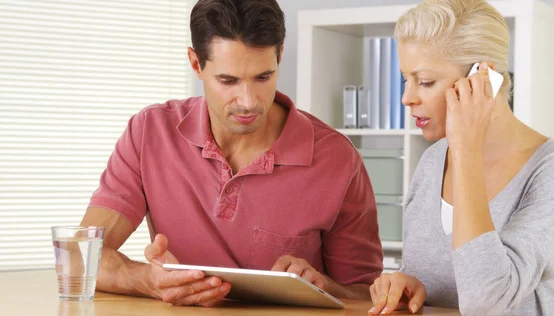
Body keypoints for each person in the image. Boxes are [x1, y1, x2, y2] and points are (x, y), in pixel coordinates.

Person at [80, 0, 383, 307]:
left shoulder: (338, 159)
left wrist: (324, 286)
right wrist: (148, 280)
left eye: (263, 77)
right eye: (228, 81)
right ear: (196, 64)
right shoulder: (149, 132)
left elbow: (366, 294)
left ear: (279, 55)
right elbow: (80, 256)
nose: (249, 101)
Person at [368, 0, 554, 315]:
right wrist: (406, 285)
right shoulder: (432, 161)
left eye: (426, 81)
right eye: (406, 79)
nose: (407, 98)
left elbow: (486, 302)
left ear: (482, 78)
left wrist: (466, 148)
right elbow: (435, 278)